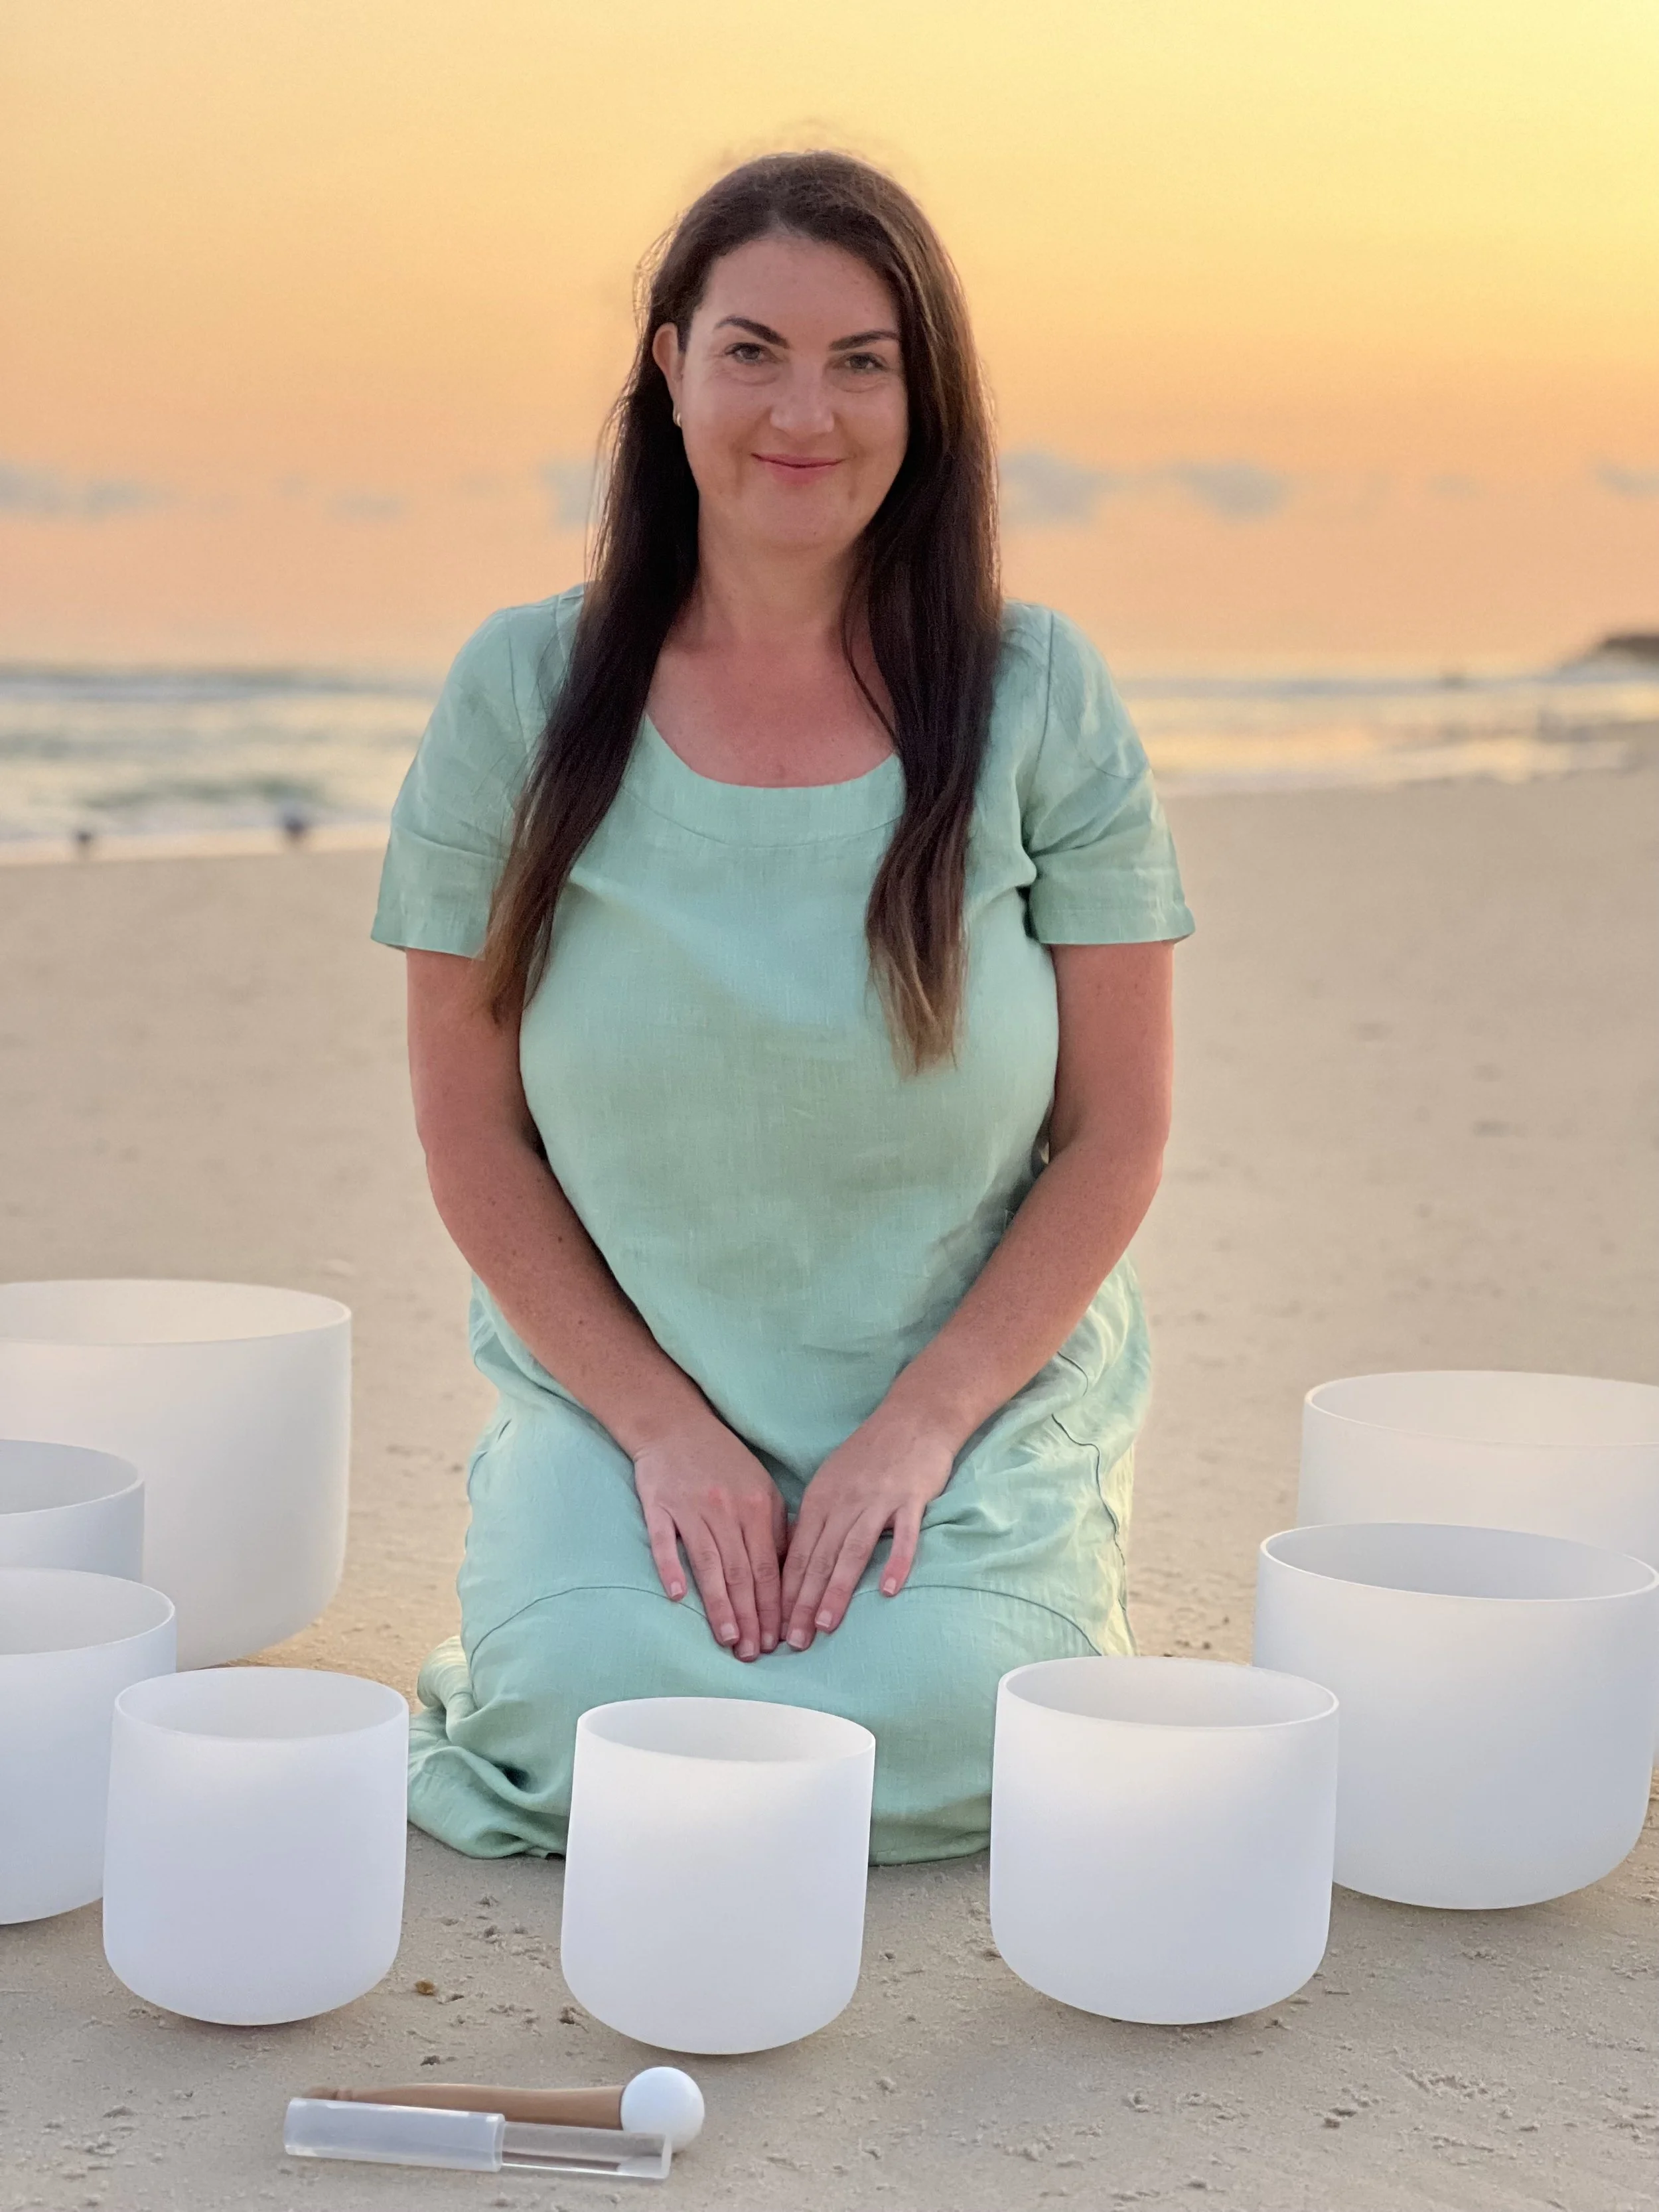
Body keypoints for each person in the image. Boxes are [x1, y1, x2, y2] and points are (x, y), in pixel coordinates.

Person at [372, 149, 1194, 1864]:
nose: (800, 410)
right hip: (628, 1392)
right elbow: (467, 1120)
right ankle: (584, 1541)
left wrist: (921, 1425)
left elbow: (1115, 1133)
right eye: (751, 349)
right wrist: (662, 1427)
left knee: (973, 1729)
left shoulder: (1037, 695)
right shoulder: (519, 692)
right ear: (667, 370)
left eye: (861, 358)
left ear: (927, 397)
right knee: (578, 1726)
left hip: (955, 1396)